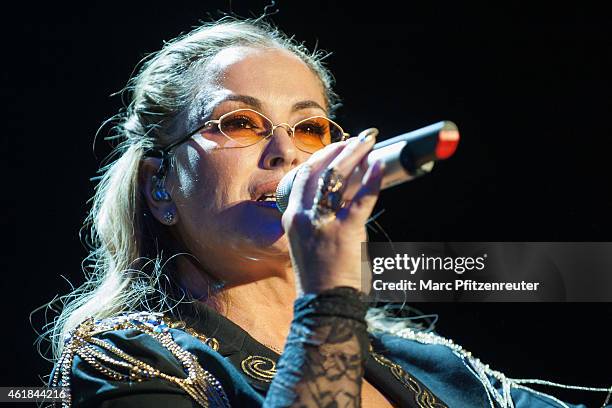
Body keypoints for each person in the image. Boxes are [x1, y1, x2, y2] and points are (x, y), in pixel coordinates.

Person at [47, 17, 610, 408]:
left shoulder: (428, 362)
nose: (285, 151)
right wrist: (332, 295)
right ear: (159, 187)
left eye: (310, 128)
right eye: (240, 122)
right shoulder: (128, 359)